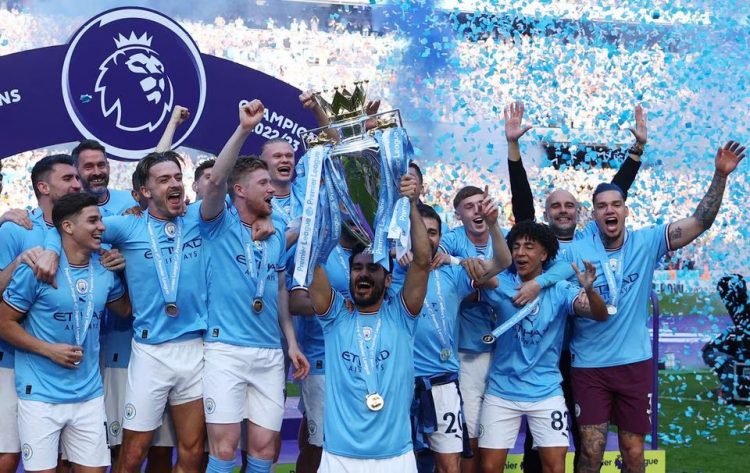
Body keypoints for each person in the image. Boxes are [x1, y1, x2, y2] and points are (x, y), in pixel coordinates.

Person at [570, 141, 746, 473]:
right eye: (602, 206)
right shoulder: (576, 251)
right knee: (592, 452)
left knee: (634, 452)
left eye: (616, 204)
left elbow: (700, 221)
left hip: (635, 364)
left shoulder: (646, 241)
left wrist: (720, 176)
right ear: (593, 214)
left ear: (626, 210)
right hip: (590, 366)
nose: (610, 210)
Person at [35, 150, 212, 473]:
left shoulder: (198, 217)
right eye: (164, 179)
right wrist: (49, 249)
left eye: (177, 177)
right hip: (150, 352)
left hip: (195, 347)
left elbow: (223, 187)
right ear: (144, 191)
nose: (175, 184)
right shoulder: (127, 226)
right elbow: (67, 225)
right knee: (133, 451)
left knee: (193, 449)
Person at [503, 101, 646, 472]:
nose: (563, 211)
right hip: (545, 351)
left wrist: (636, 152)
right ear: (546, 214)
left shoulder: (588, 240)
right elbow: (522, 201)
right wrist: (513, 148)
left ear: (581, 213)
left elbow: (617, 192)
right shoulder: (537, 243)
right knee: (542, 436)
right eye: (556, 207)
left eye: (570, 206)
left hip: (584, 351)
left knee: (588, 437)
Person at [199, 100, 309, 473]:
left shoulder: (275, 234)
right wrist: (244, 129)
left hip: (269, 353)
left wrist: (291, 343)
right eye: (264, 183)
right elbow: (214, 181)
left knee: (264, 450)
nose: (273, 190)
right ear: (240, 191)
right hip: (225, 351)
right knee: (224, 449)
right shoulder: (217, 224)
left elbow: (279, 290)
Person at [0, 192, 132, 473]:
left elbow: (126, 310)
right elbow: (3, 322)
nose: (102, 227)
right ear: (69, 227)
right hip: (40, 396)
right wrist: (48, 350)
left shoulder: (105, 270)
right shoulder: (39, 269)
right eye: (93, 220)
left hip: (89, 395)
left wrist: (127, 268)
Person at [307, 173, 430, 472]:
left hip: (395, 458)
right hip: (339, 458)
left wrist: (412, 205)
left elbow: (423, 261)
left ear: (388, 279)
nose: (363, 274)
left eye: (373, 268)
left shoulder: (401, 315)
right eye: (357, 269)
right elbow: (310, 258)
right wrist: (319, 196)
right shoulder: (334, 317)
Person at [476, 221, 608, 473]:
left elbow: (598, 314)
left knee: (555, 468)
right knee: (490, 468)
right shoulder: (502, 284)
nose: (520, 253)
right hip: (502, 391)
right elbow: (480, 280)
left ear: (544, 254)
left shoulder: (560, 289)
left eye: (529, 246)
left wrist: (590, 291)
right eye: (515, 247)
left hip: (546, 392)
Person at [405, 197, 511, 473]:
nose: (426, 238)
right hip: (401, 382)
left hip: (443, 382)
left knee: (450, 465)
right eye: (420, 231)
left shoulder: (453, 273)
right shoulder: (392, 272)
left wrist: (493, 225)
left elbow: (501, 262)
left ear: (440, 237)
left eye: (432, 232)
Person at [0, 154, 82, 473]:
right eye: (68, 179)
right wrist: (20, 261)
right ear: (43, 186)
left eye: (78, 178)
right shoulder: (16, 229)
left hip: (65, 366)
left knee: (63, 459)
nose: (77, 183)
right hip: (11, 360)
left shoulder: (81, 229)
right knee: (7, 456)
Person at [702, 274, 749, 402]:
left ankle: (729, 387)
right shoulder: (739, 310)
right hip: (716, 350)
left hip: (735, 349)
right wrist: (733, 279)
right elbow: (724, 290)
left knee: (738, 364)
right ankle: (727, 393)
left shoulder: (740, 315)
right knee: (731, 363)